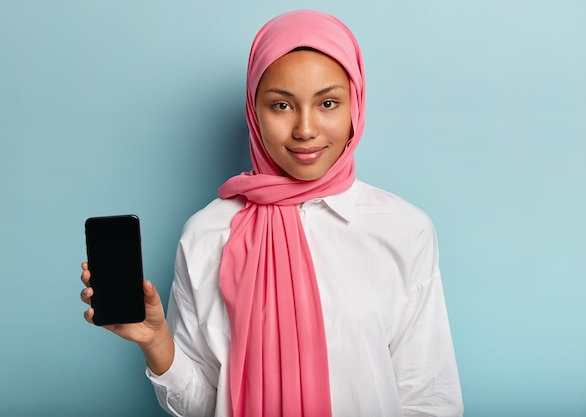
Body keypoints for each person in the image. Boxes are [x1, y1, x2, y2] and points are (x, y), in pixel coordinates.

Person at [80, 9, 464, 417]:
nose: (305, 129)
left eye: (328, 103)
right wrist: (156, 341)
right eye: (281, 105)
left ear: (356, 107)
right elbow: (208, 404)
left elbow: (429, 398)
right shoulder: (208, 233)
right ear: (254, 111)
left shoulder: (404, 230)